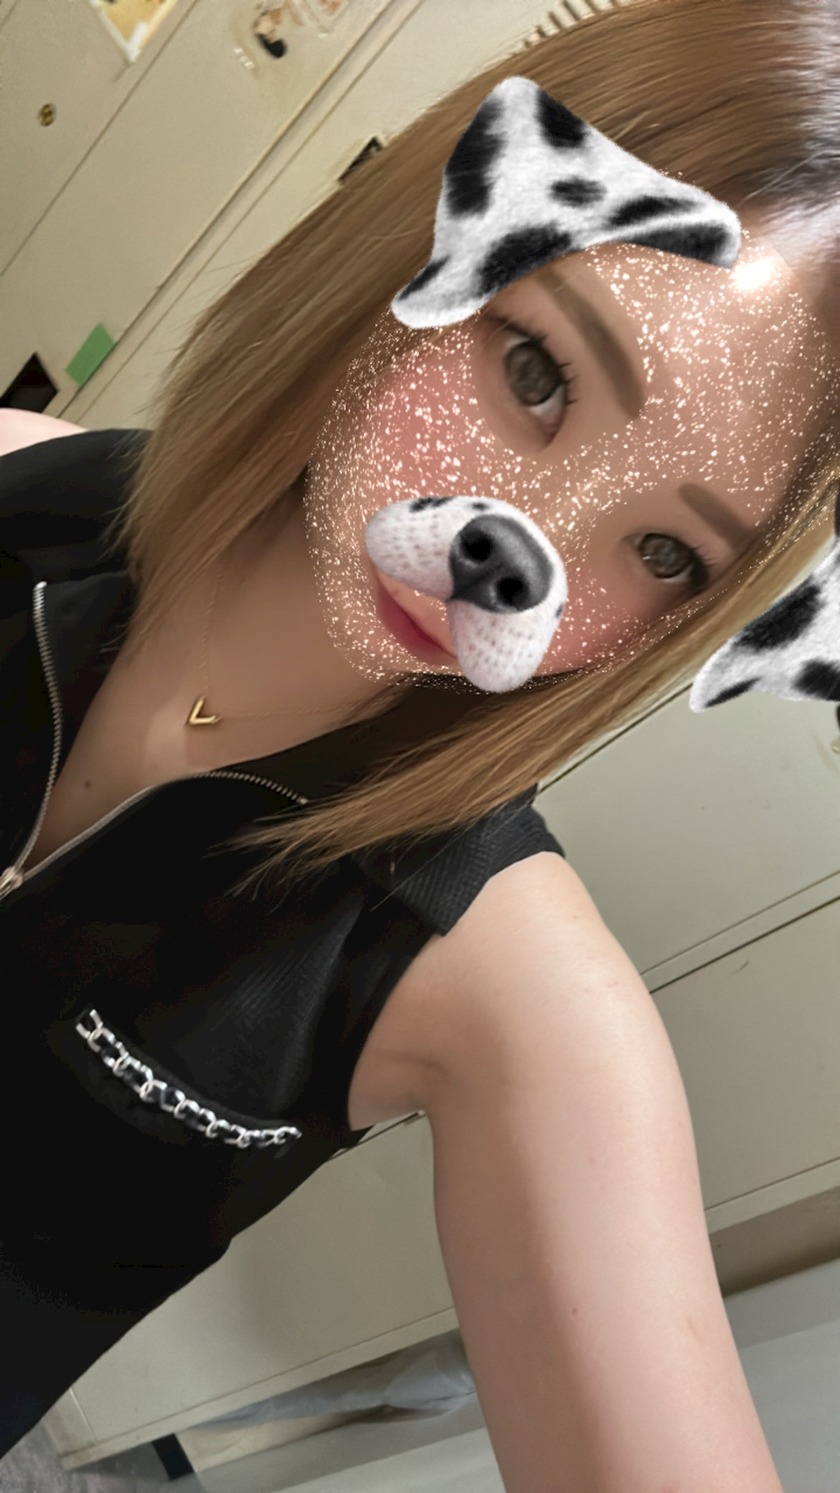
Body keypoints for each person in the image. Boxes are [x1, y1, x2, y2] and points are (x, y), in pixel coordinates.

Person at [2, 2, 840, 1489]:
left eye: (665, 550)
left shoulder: (508, 996)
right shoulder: (26, 498)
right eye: (537, 374)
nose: (528, 554)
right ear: (434, 235)